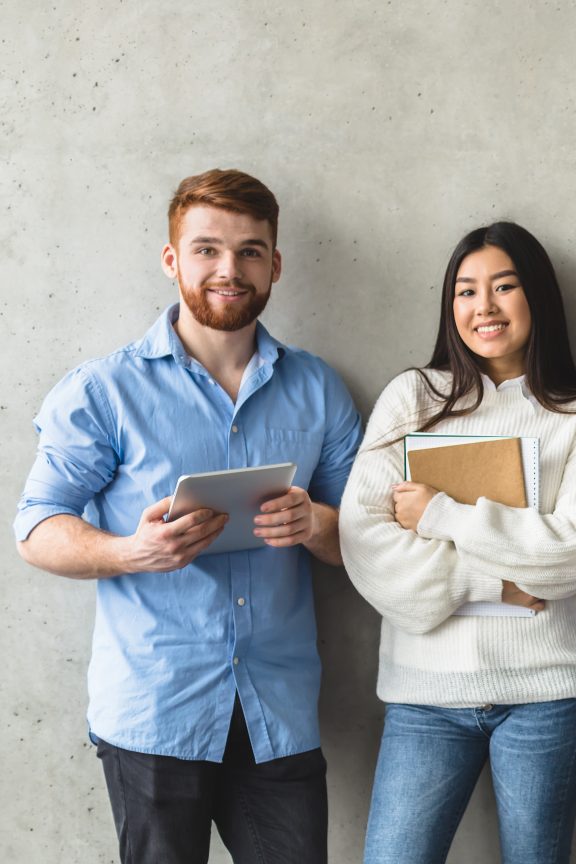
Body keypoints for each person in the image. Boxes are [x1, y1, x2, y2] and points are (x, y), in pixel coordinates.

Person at [13, 169, 362, 864]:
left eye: (250, 251)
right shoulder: (104, 390)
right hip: (153, 711)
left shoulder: (318, 388)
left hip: (278, 714)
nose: (229, 270)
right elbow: (35, 527)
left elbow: (370, 533)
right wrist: (131, 552)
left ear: (275, 265)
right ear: (172, 259)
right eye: (206, 249)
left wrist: (318, 527)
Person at [338, 222, 576, 864]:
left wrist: (443, 515)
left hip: (547, 692)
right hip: (425, 695)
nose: (483, 307)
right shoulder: (414, 397)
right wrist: (496, 583)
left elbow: (572, 552)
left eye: (504, 287)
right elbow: (365, 541)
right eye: (465, 291)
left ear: (537, 297)